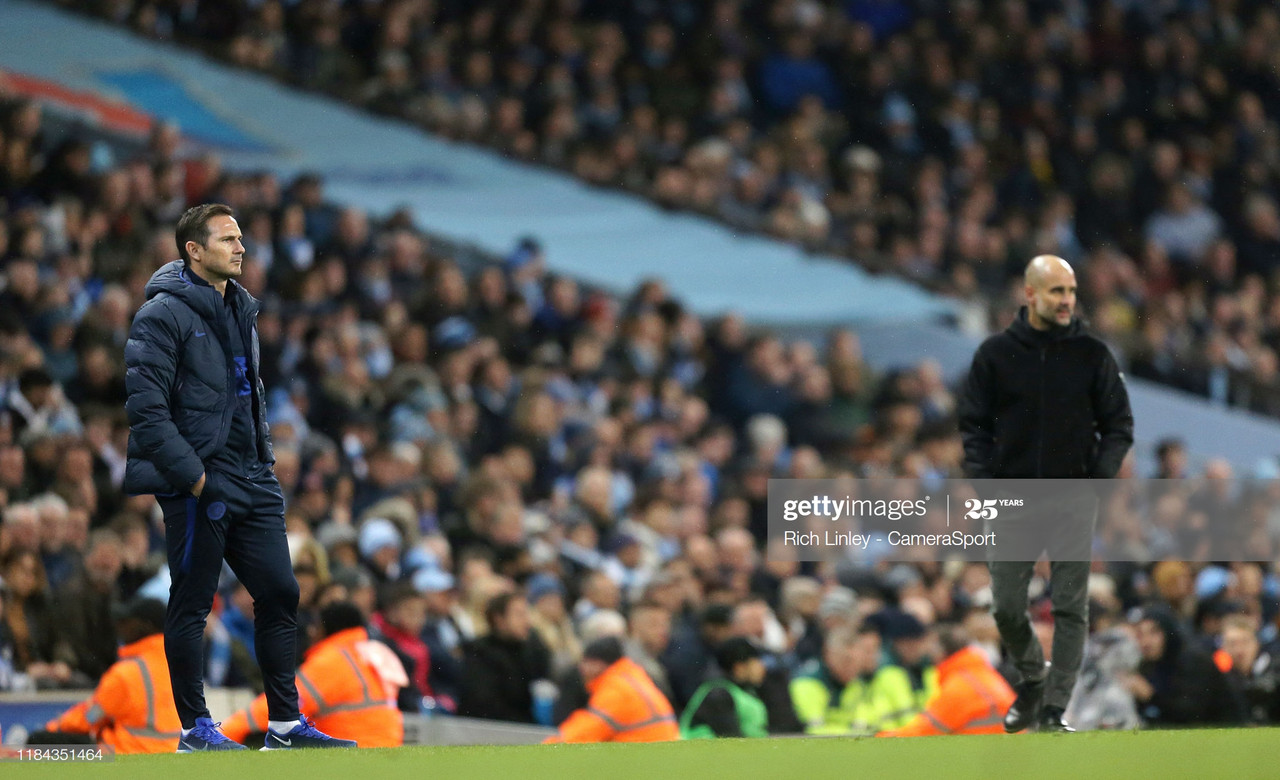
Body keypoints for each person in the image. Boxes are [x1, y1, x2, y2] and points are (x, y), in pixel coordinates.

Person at [123, 204, 353, 751]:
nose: (241, 246)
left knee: (281, 592)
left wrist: (264, 461)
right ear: (193, 251)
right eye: (227, 239)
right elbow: (146, 414)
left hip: (254, 477)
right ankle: (194, 730)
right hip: (200, 483)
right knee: (194, 604)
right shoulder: (161, 315)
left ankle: (285, 726)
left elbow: (243, 398)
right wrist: (199, 481)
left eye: (241, 237)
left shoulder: (241, 307)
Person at [959, 255, 1134, 733]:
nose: (1068, 301)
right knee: (1007, 607)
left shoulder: (1092, 354)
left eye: (1072, 291)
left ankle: (1056, 710)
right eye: (1057, 291)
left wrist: (1097, 481)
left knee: (1070, 607)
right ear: (1029, 294)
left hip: (1071, 498)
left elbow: (1118, 426)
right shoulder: (994, 355)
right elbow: (973, 427)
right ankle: (1034, 680)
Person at [221, 602, 406, 748]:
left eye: (316, 625)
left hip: (352, 752)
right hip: (387, 749)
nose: (311, 631)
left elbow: (277, 708)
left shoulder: (332, 661)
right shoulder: (372, 652)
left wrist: (222, 736)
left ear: (328, 629)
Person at [41, 598, 181, 754]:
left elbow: (89, 718)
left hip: (131, 751)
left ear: (144, 626)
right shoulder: (179, 665)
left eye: (127, 622)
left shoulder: (127, 673)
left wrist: (52, 728)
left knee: (41, 741)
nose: (120, 627)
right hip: (174, 751)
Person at [879, 625, 1016, 737]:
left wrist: (877, 739)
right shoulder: (985, 676)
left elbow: (919, 733)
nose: (927, 653)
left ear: (941, 650)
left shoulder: (959, 687)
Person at [545, 636, 679, 743]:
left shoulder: (616, 692)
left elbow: (581, 734)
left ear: (597, 664)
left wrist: (545, 750)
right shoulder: (633, 677)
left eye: (585, 662)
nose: (581, 669)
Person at [679, 637, 770, 739]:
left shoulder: (744, 691)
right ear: (739, 668)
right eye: (756, 661)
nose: (762, 667)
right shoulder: (719, 695)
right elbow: (731, 739)